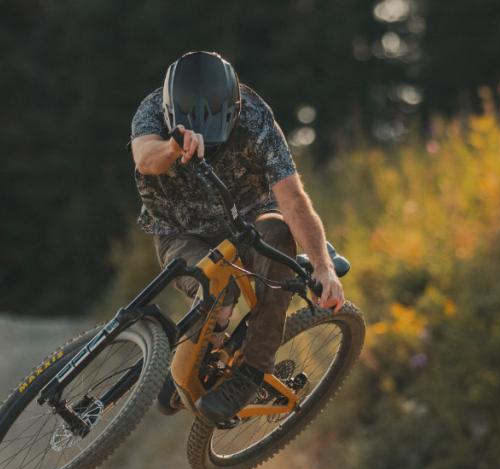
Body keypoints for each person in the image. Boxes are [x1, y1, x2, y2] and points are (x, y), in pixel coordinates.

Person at [129, 51, 345, 424]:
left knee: (279, 238)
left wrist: (324, 268)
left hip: (245, 219)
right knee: (216, 292)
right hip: (178, 228)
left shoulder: (257, 119)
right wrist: (172, 148)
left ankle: (252, 371)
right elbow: (145, 158)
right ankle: (200, 352)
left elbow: (293, 199)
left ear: (237, 107)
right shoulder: (152, 109)